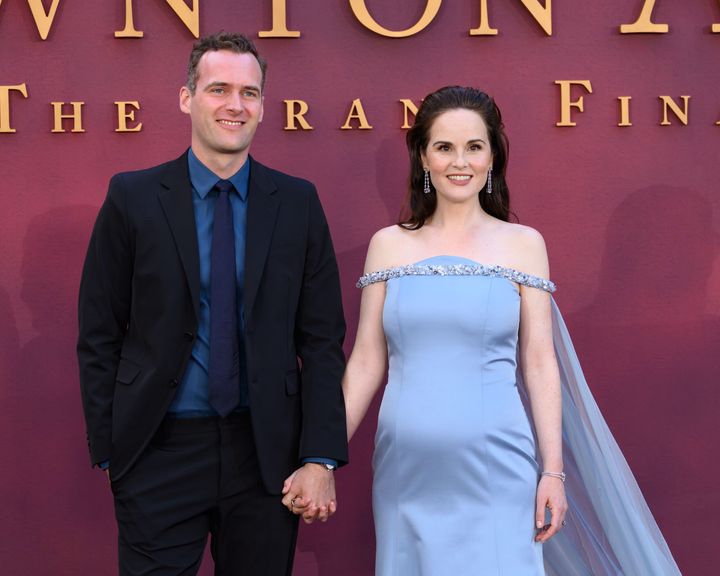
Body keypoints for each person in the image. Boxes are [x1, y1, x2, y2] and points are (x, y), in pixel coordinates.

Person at [342, 86, 681, 575]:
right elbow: (366, 361)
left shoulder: (523, 245)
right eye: (444, 147)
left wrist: (552, 472)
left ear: (493, 158)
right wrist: (320, 457)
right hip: (405, 468)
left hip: (498, 465)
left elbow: (539, 361)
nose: (460, 162)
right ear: (423, 157)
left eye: (474, 147)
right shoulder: (388, 246)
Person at [77, 32, 347, 576]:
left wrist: (320, 457)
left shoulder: (297, 202)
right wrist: (112, 449)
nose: (235, 105)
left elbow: (321, 340)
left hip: (266, 455)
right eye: (219, 89)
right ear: (187, 98)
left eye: (249, 93)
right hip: (157, 450)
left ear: (263, 107)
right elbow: (99, 331)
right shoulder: (132, 197)